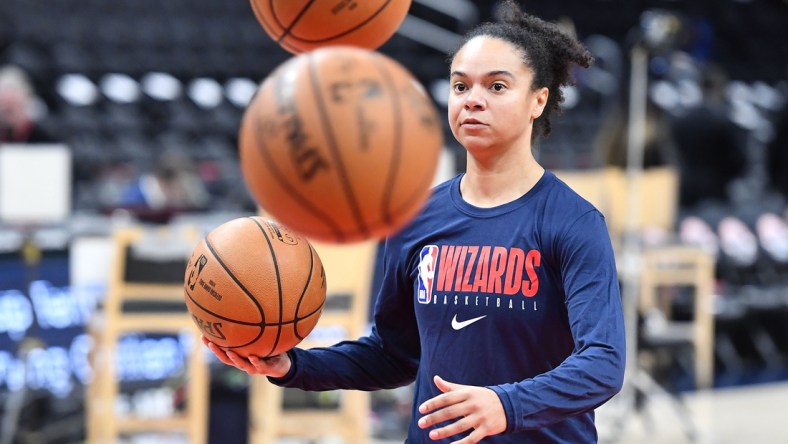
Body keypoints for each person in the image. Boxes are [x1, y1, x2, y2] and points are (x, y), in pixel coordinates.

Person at [204, 1, 626, 442]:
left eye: (497, 87)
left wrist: (507, 405)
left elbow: (602, 363)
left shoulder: (574, 222)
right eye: (460, 87)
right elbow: (394, 355)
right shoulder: (416, 216)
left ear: (538, 100)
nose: (473, 100)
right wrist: (294, 365)